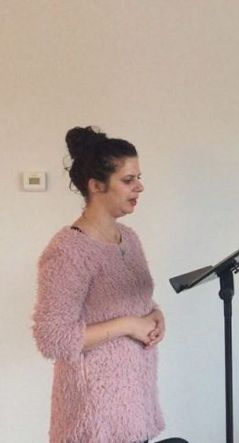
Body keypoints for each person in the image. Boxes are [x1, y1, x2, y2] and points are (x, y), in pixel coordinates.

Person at [32, 126, 166, 443]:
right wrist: (129, 324)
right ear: (96, 186)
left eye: (139, 178)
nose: (140, 187)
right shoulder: (68, 250)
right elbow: (52, 338)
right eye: (128, 180)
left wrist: (155, 316)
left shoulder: (128, 239)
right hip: (95, 415)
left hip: (135, 402)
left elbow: (137, 302)